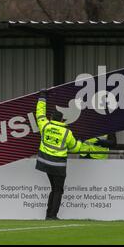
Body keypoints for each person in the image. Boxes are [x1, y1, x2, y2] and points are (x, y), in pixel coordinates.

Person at [35, 88, 85, 220]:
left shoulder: (45, 126)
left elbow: (39, 114)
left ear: (51, 118)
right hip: (58, 166)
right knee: (58, 190)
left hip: (45, 164)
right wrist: (80, 141)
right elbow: (75, 148)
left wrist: (42, 96)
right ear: (62, 120)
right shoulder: (67, 133)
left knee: (54, 188)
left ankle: (48, 215)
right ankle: (52, 215)